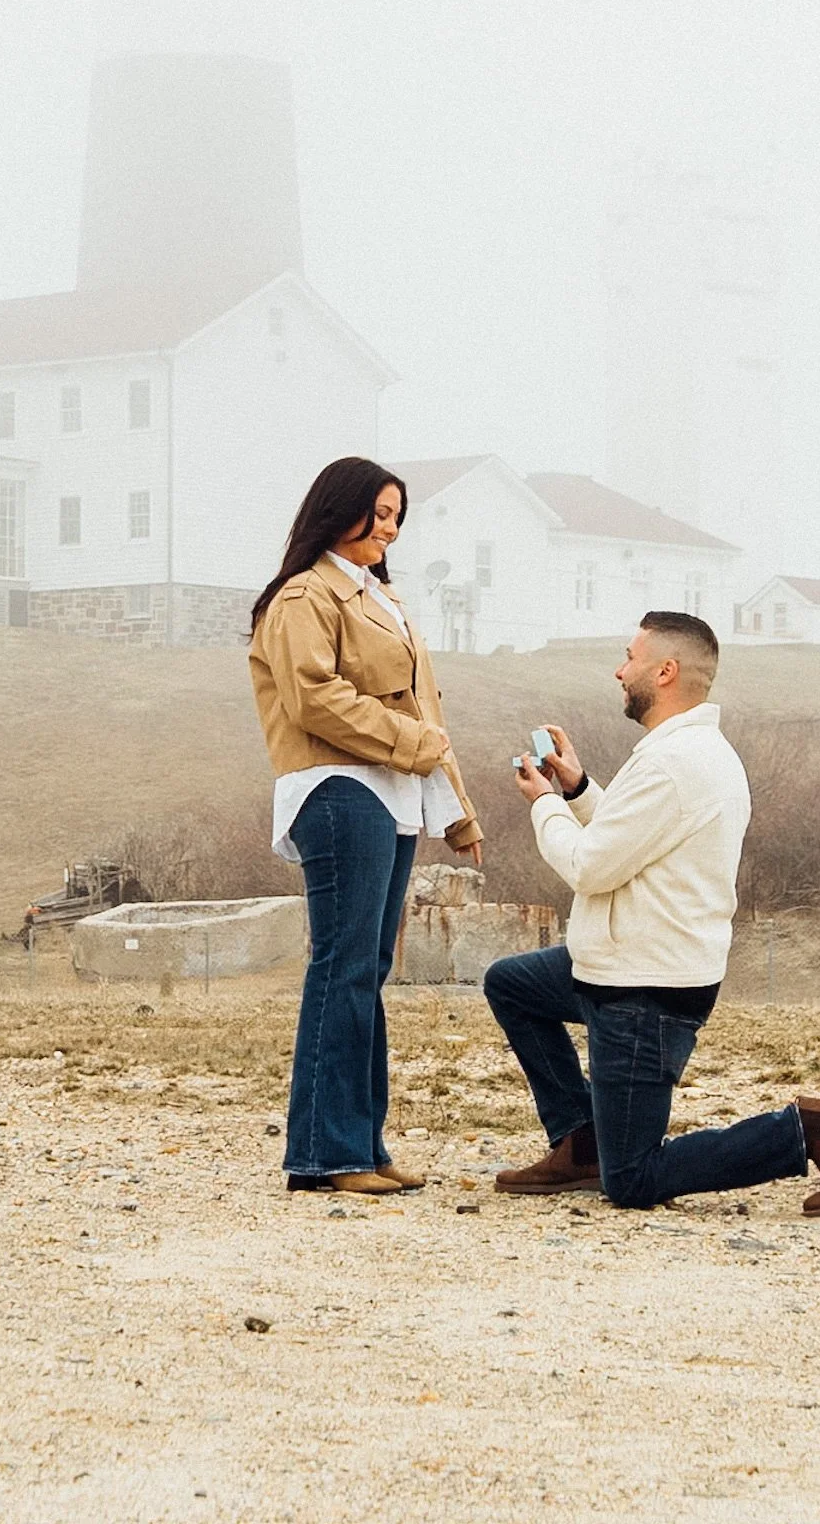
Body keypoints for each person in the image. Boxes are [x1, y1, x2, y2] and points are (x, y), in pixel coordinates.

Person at [484, 610, 820, 1215]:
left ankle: (812, 1129)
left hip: (643, 993)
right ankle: (580, 1141)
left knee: (633, 1180)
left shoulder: (674, 762)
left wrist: (544, 805)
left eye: (629, 657)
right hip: (620, 966)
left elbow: (591, 866)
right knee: (511, 984)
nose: (619, 670)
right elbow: (633, 835)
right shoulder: (689, 751)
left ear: (664, 671)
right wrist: (580, 789)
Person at [249, 456, 483, 1196]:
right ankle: (327, 1154)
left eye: (395, 517)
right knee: (344, 966)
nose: (388, 528)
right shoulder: (302, 597)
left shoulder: (382, 598)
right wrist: (415, 748)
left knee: (368, 972)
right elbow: (315, 699)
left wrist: (459, 810)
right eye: (377, 513)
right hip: (339, 787)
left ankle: (362, 1145)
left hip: (396, 794)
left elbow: (425, 712)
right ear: (336, 510)